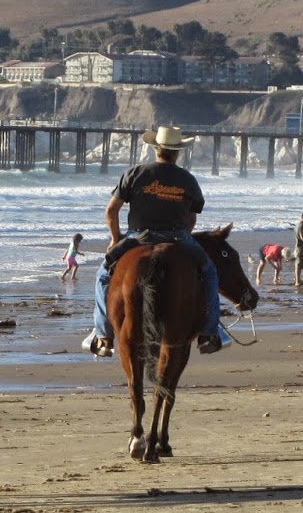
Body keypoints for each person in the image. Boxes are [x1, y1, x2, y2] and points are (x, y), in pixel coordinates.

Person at [85, 126, 224, 358]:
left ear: (155, 149)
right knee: (209, 273)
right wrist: (184, 234)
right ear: (177, 152)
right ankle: (209, 333)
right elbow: (191, 217)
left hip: (137, 237)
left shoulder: (135, 172)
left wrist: (115, 238)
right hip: (177, 237)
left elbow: (111, 211)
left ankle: (103, 336)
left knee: (102, 276)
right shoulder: (187, 179)